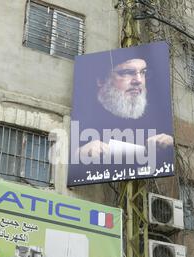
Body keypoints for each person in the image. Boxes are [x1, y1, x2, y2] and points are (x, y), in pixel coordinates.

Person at [68, 42, 175, 186]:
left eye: (142, 72)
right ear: (101, 80)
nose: (138, 80)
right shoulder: (80, 114)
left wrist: (167, 144)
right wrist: (79, 153)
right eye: (127, 73)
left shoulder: (155, 117)